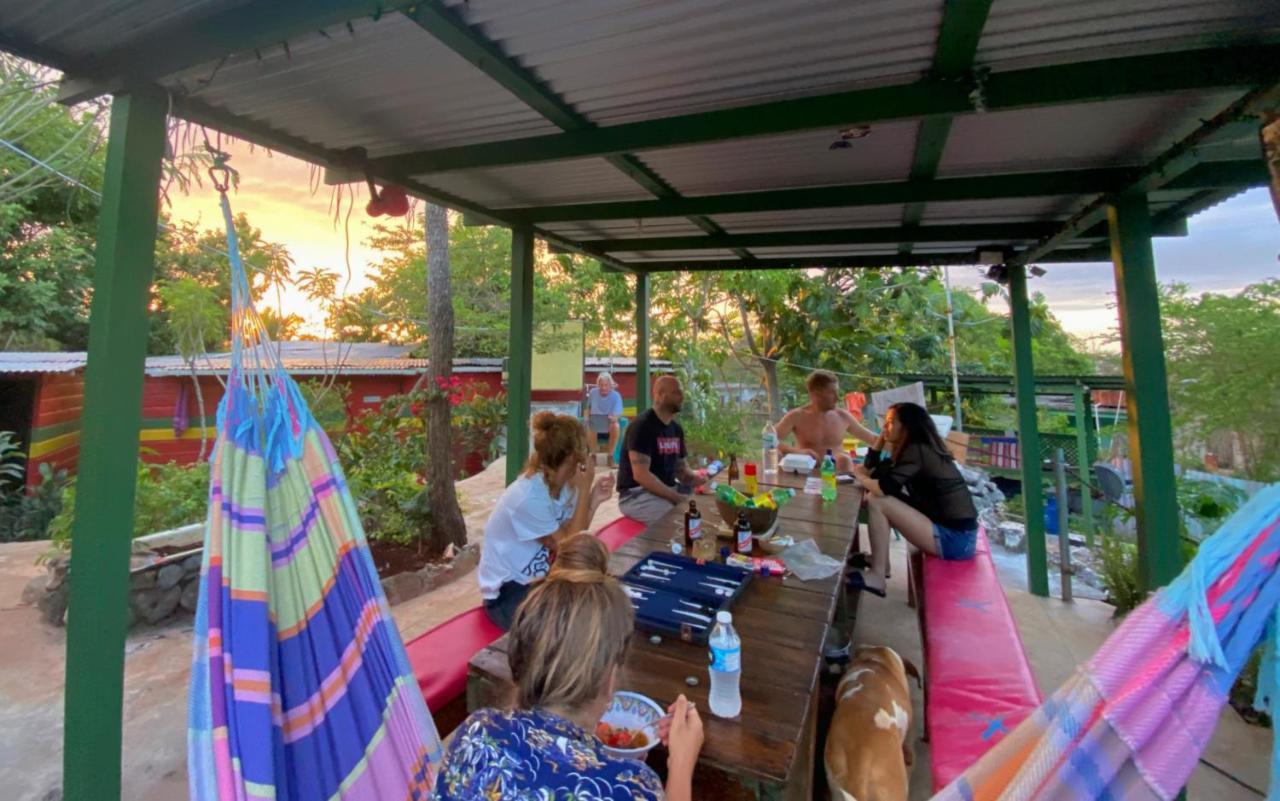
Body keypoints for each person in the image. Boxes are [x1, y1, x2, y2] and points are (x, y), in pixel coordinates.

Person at [433, 568, 705, 801]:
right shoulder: (630, 787)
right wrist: (681, 763)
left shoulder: (478, 729)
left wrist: (601, 759)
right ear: (608, 678)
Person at [477, 412, 613, 629]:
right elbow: (569, 545)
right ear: (573, 456)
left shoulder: (567, 484)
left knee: (600, 599)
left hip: (543, 579)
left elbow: (572, 534)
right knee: (564, 628)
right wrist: (586, 487)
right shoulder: (529, 496)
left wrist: (593, 499)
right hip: (509, 590)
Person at [850, 402, 978, 597]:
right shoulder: (910, 448)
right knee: (878, 497)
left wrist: (860, 477)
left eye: (890, 422)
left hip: (955, 540)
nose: (885, 427)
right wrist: (878, 443)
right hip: (952, 532)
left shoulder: (918, 450)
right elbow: (872, 472)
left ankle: (877, 576)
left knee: (878, 500)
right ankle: (880, 562)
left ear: (907, 426)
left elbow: (882, 487)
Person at [617, 375, 707, 524]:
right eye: (676, 392)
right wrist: (677, 498)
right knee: (681, 519)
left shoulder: (676, 429)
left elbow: (682, 471)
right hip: (636, 495)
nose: (682, 397)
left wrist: (705, 481)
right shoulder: (642, 426)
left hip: (667, 490)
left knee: (705, 506)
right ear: (659, 395)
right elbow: (641, 476)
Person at [776, 370, 879, 472]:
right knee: (776, 454)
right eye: (832, 393)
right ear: (816, 394)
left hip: (836, 472)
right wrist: (795, 451)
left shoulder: (842, 416)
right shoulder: (796, 416)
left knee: (844, 459)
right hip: (807, 469)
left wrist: (894, 446)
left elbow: (872, 439)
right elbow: (768, 440)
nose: (837, 398)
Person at [586, 372, 625, 468]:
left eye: (606, 385)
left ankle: (610, 457)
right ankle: (593, 456)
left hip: (609, 424)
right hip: (595, 423)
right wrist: (586, 418)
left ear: (610, 385)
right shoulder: (592, 392)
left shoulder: (616, 395)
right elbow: (588, 408)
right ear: (598, 384)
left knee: (616, 425)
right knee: (590, 424)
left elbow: (618, 413)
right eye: (601, 385)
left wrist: (613, 418)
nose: (603, 387)